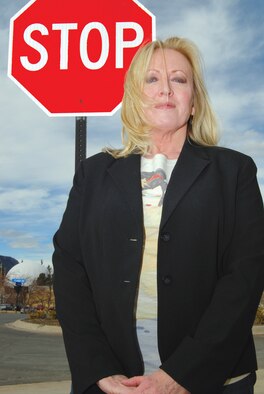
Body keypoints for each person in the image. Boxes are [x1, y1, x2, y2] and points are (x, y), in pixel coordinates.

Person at [52, 37, 264, 394]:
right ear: (135, 97)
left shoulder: (235, 171)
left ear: (194, 101)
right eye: (151, 79)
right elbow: (71, 271)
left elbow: (245, 276)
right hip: (114, 380)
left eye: (179, 79)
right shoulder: (93, 174)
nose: (165, 88)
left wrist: (183, 374)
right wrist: (97, 368)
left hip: (216, 380)